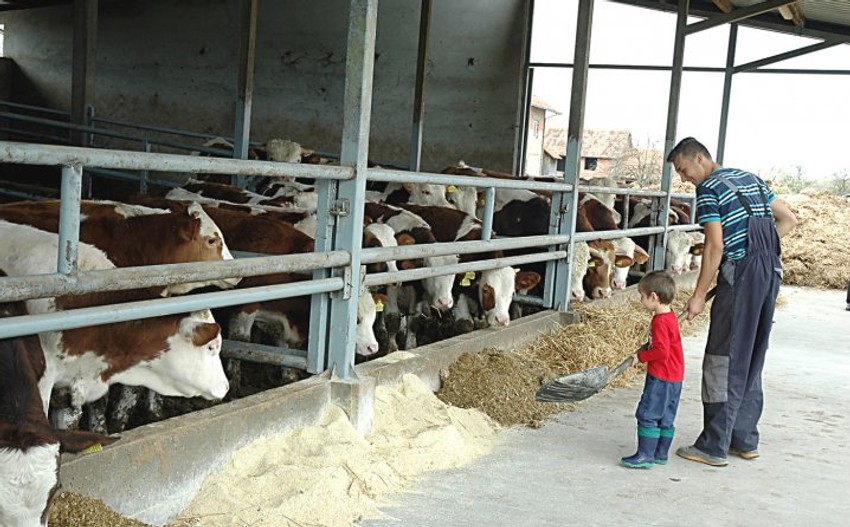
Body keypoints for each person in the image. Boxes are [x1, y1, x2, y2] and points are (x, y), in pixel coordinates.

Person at [667, 137, 798, 467]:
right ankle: (744, 439)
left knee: (722, 356)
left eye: (684, 170)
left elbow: (714, 246)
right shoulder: (751, 179)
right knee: (752, 353)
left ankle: (713, 445)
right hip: (769, 273)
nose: (685, 178)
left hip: (741, 277)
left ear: (700, 158)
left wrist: (698, 296)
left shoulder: (709, 188)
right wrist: (757, 250)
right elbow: (788, 220)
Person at [621, 270, 684, 469]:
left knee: (648, 414)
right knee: (666, 416)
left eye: (642, 296)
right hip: (675, 376)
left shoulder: (659, 321)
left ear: (654, 297)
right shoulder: (671, 316)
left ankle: (645, 455)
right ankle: (660, 454)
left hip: (661, 376)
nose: (641, 300)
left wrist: (639, 357)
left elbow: (661, 351)